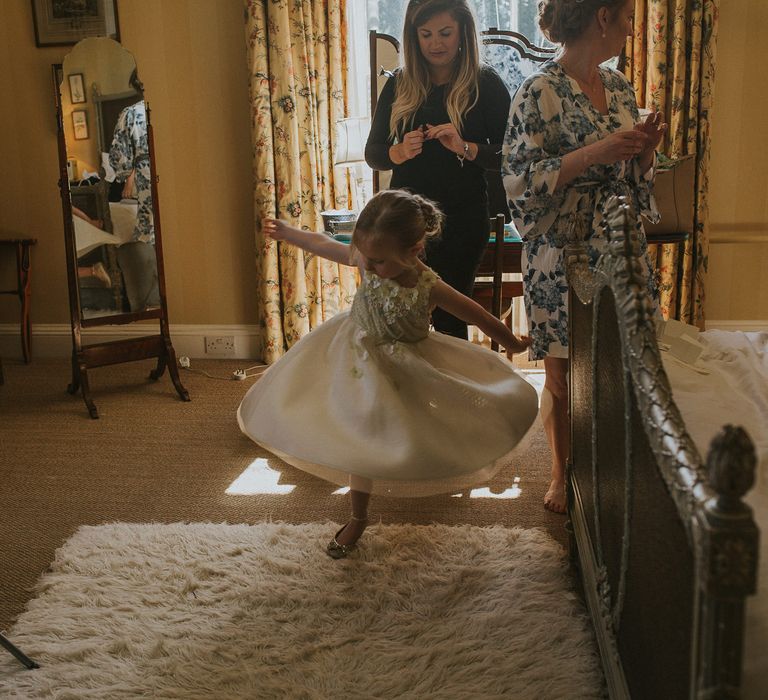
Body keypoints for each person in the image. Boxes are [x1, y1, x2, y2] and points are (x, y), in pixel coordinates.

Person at [238, 190, 538, 559]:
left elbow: (477, 314)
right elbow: (323, 243)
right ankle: (358, 516)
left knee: (411, 432)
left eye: (379, 262)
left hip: (406, 364)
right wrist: (289, 233)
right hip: (354, 354)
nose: (368, 265)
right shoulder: (369, 256)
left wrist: (513, 343)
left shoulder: (430, 286)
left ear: (413, 251)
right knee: (357, 437)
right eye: (366, 257)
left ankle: (424, 473)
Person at [502, 0, 666, 513]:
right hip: (562, 249)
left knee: (626, 362)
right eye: (626, 22)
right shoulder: (537, 92)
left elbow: (631, 173)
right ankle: (561, 471)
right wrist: (598, 151)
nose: (628, 33)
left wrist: (642, 151)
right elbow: (519, 183)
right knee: (561, 372)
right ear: (602, 19)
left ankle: (616, 468)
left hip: (619, 241)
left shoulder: (619, 87)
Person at [365, 0, 511, 340]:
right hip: (404, 221)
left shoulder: (485, 84)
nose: (436, 43)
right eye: (426, 34)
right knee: (399, 318)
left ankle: (453, 392)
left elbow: (511, 155)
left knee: (449, 320)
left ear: (463, 32)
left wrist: (465, 147)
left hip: (463, 218)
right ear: (414, 37)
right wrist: (398, 152)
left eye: (445, 33)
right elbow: (374, 154)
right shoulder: (399, 84)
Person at [108, 69, 153, 245]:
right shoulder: (177, 109)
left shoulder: (131, 115)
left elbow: (120, 159)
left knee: (149, 229)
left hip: (147, 183)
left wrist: (129, 174)